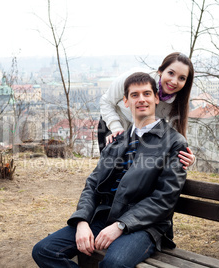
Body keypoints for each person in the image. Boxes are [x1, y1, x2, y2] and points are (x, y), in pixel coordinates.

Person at [32, 72, 188, 268]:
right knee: (44, 251)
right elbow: (92, 185)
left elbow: (164, 199)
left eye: (147, 94)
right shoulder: (117, 141)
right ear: (125, 101)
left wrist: (121, 225)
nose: (141, 99)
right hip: (103, 217)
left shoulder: (173, 142)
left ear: (156, 98)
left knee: (113, 264)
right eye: (134, 95)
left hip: (144, 227)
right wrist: (81, 221)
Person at [98, 52, 195, 169]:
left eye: (182, 78)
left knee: (133, 173)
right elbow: (106, 101)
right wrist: (116, 128)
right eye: (171, 73)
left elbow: (175, 136)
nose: (174, 81)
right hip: (113, 125)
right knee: (110, 170)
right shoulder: (134, 78)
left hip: (141, 135)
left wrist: (188, 157)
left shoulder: (178, 102)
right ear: (160, 71)